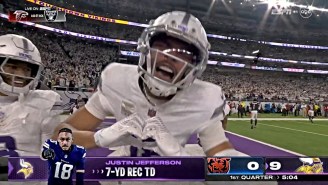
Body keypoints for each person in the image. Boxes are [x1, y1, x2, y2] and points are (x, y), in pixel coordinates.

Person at [54, 11, 246, 158]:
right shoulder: (117, 79)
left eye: (183, 54)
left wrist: (181, 156)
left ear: (195, 68)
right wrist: (98, 138)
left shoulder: (205, 98)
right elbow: (58, 135)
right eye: (162, 46)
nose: (169, 57)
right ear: (146, 49)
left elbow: (224, 161)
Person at [0, 34, 62, 157]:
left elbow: (51, 159)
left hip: (24, 173)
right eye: (12, 67)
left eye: (27, 69)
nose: (21, 75)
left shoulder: (44, 102)